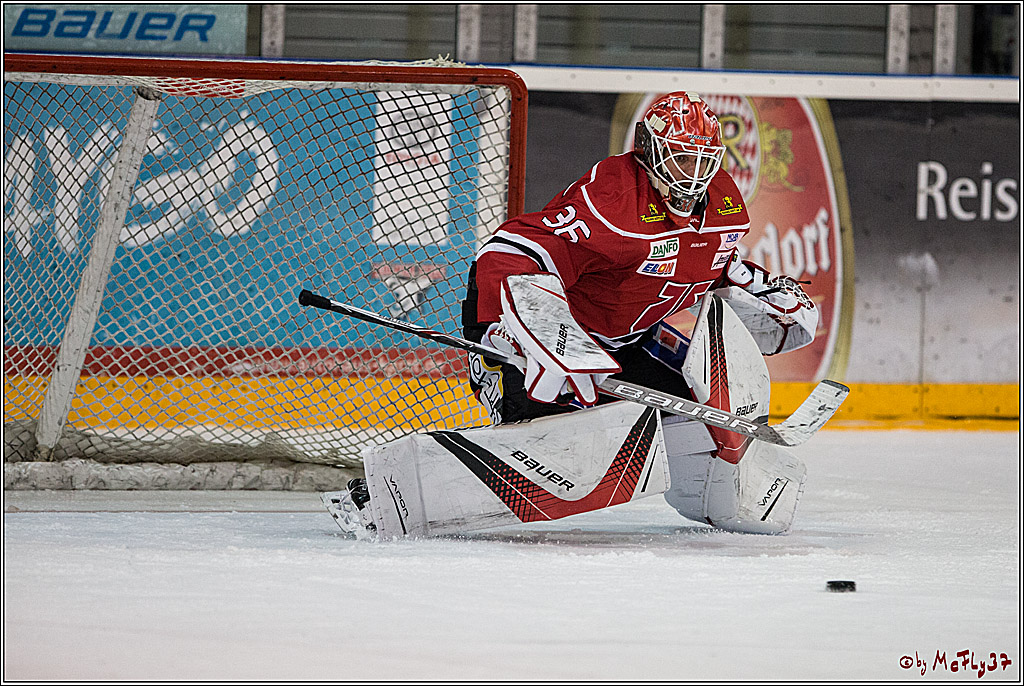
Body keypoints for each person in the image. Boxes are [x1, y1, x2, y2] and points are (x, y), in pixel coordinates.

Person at [326, 92, 819, 540]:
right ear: (649, 150)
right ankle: (382, 497)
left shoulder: (724, 204)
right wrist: (537, 334)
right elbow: (510, 253)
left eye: (703, 160)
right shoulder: (613, 199)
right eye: (681, 157)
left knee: (703, 425)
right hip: (513, 322)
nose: (692, 174)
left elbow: (711, 262)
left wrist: (762, 288)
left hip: (623, 342)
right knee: (559, 447)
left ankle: (719, 494)